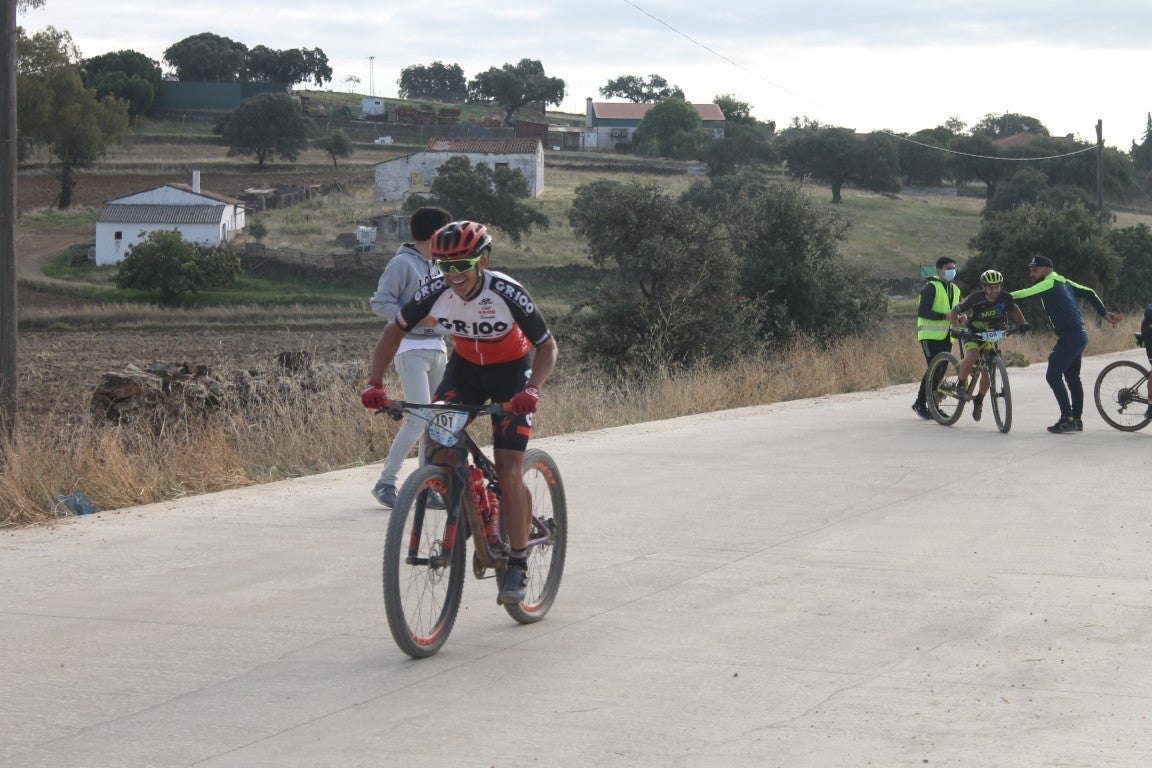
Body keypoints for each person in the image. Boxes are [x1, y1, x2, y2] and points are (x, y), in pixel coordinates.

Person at [360, 220, 559, 606]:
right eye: (443, 265)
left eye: (460, 265)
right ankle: (461, 500)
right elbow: (393, 333)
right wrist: (375, 383)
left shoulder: (506, 291)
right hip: (464, 371)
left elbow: (547, 347)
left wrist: (532, 389)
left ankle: (517, 560)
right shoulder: (433, 291)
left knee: (508, 468)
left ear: (481, 261)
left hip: (510, 375)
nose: (452, 275)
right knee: (440, 445)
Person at [368, 206, 453, 508]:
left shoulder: (440, 266)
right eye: (447, 234)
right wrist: (415, 320)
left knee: (438, 421)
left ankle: (427, 485)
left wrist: (440, 323)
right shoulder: (402, 264)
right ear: (435, 235)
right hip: (409, 349)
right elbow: (380, 303)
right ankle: (386, 482)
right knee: (419, 419)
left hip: (438, 349)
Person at [1010, 255, 1124, 433]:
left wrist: (998, 297)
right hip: (1078, 334)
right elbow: (1090, 292)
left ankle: (1067, 418)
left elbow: (1024, 294)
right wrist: (1104, 314)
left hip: (1071, 336)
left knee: (1052, 375)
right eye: (1030, 270)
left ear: (1047, 269)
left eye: (1035, 270)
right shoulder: (1065, 282)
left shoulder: (1050, 282)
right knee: (1072, 378)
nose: (1031, 274)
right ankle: (1076, 420)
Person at [946, 269, 1029, 422]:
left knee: (987, 371)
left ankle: (979, 399)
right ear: (984, 287)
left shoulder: (1005, 298)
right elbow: (953, 312)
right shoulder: (974, 299)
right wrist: (955, 328)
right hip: (974, 332)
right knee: (972, 354)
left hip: (992, 333)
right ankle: (961, 384)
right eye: (990, 287)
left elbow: (1014, 309)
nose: (994, 291)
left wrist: (1023, 323)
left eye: (997, 287)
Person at [912, 257, 962, 419]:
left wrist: (961, 317)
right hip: (929, 336)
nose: (952, 271)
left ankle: (931, 405)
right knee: (933, 370)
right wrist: (944, 317)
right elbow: (923, 311)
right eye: (948, 268)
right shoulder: (931, 287)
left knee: (939, 372)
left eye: (953, 268)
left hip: (947, 336)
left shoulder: (955, 289)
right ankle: (921, 403)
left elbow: (958, 309)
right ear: (939, 270)